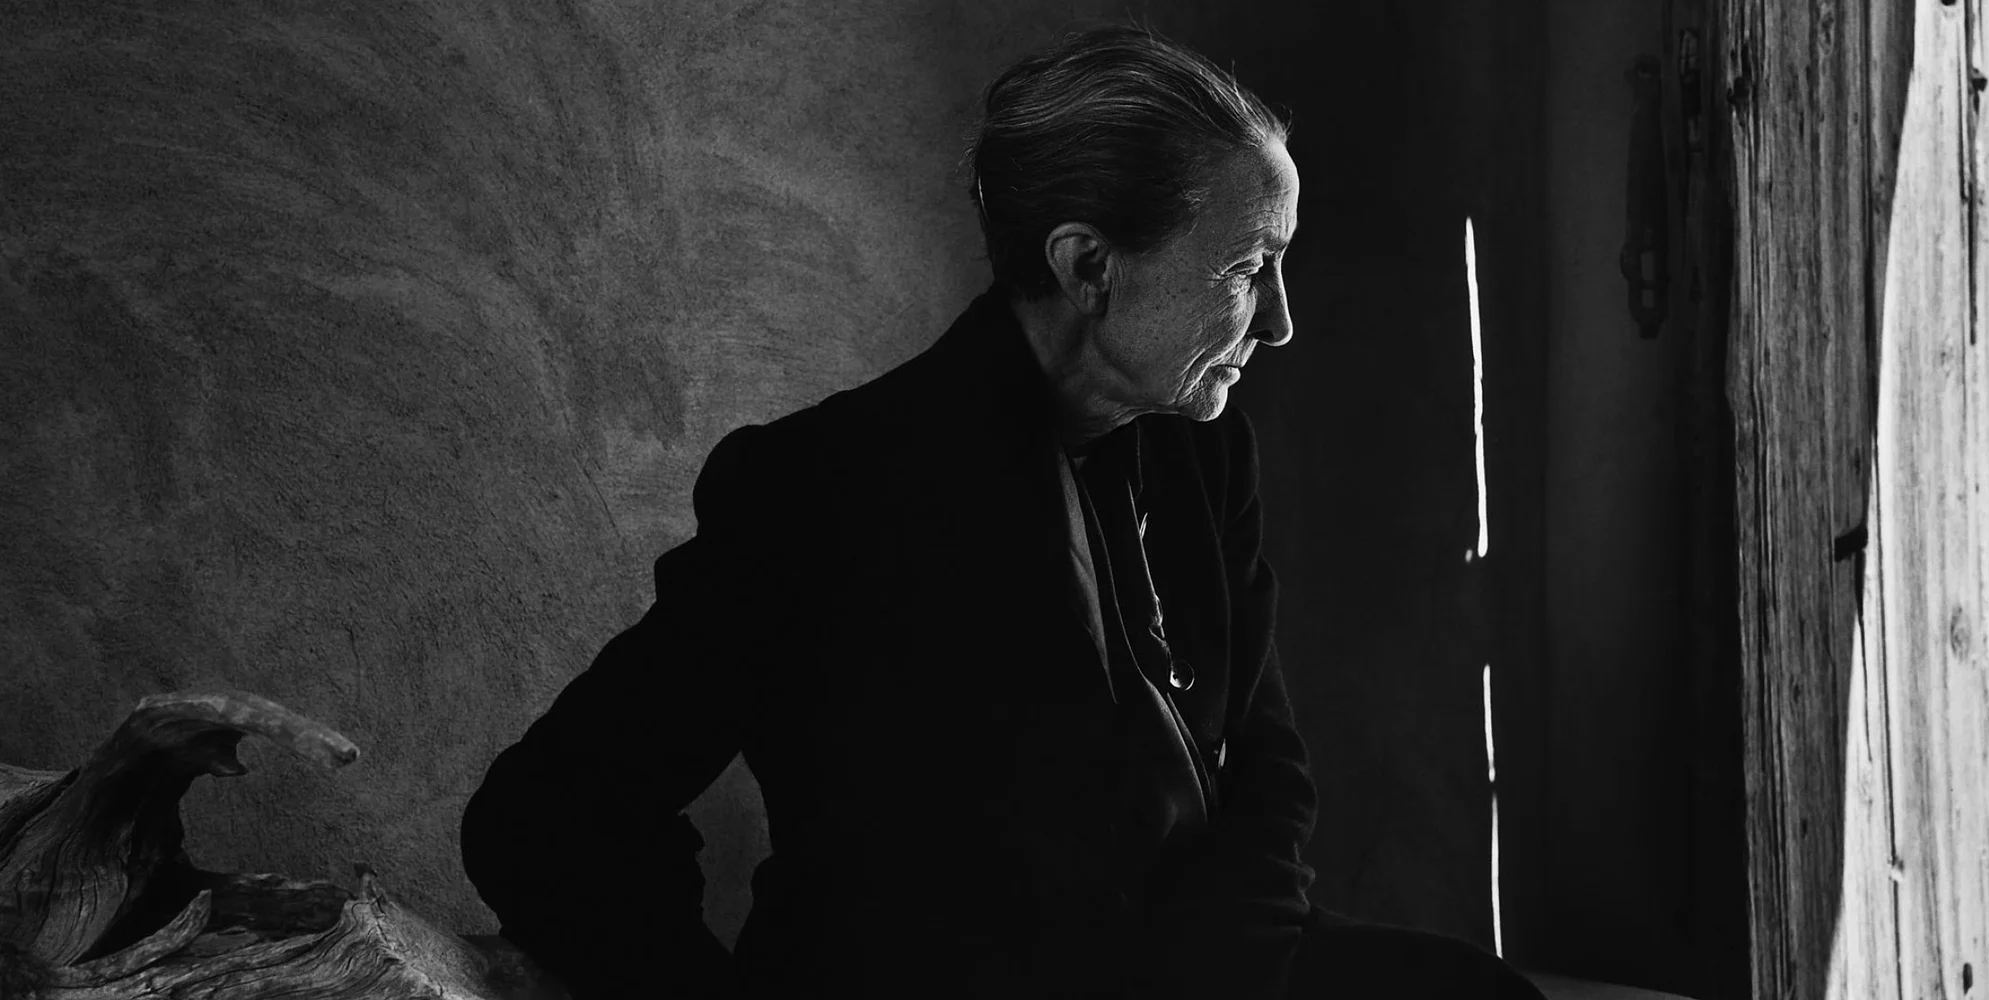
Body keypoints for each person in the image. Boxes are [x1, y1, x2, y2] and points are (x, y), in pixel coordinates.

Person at [461, 25, 1547, 1000]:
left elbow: (1265, 767)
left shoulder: (1204, 451)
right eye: (1249, 267)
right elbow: (546, 817)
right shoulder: (823, 489)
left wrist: (1235, 974)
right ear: (1088, 265)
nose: (1279, 323)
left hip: (1196, 967)